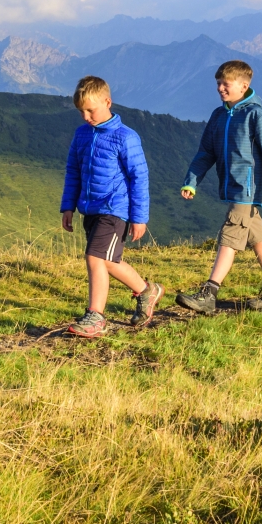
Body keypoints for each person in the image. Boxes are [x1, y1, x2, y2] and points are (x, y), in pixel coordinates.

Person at [175, 60, 262, 313]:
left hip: (246, 190)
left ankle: (209, 293)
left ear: (244, 86)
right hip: (232, 187)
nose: (220, 89)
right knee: (257, 238)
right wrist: (191, 182)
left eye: (226, 84)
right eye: (218, 83)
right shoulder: (218, 116)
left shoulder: (255, 115)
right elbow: (206, 152)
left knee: (229, 236)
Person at [61, 76, 162, 337]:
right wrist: (68, 206)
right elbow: (73, 170)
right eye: (81, 111)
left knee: (95, 257)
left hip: (115, 210)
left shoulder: (125, 137)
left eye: (90, 110)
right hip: (90, 209)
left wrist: (139, 218)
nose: (85, 116)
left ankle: (95, 317)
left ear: (107, 102)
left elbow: (139, 177)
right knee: (108, 261)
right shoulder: (81, 134)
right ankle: (146, 290)